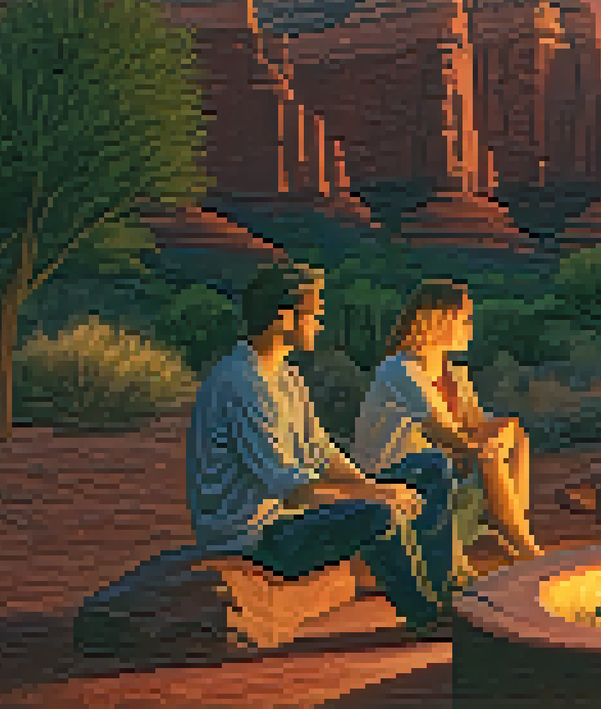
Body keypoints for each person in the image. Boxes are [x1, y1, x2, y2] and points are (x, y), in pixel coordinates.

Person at [185, 262, 458, 638]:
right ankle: (427, 617)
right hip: (256, 535)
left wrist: (370, 485)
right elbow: (293, 487)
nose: (320, 324)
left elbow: (320, 452)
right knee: (378, 513)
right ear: (283, 318)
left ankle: (442, 591)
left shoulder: (285, 375)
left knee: (430, 468)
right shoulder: (241, 385)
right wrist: (377, 494)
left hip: (289, 514)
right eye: (314, 314)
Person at [349, 279, 544, 579]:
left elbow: (476, 424)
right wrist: (488, 446)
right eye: (464, 319)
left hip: (438, 471)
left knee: (512, 435)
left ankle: (511, 530)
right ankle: (515, 538)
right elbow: (446, 436)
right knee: (487, 452)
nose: (469, 328)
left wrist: (503, 432)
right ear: (437, 320)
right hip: (398, 477)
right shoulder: (400, 370)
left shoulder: (451, 373)